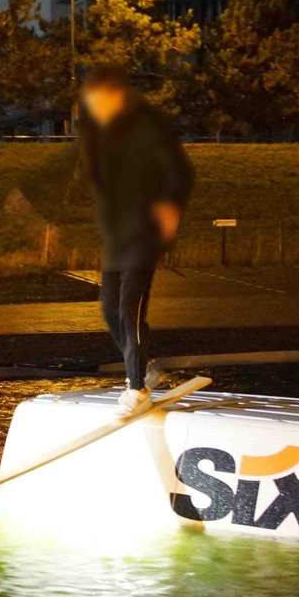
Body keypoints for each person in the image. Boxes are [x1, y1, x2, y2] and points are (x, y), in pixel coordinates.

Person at [76, 65, 194, 416]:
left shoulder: (145, 126)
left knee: (130, 309)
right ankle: (144, 366)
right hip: (117, 236)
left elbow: (181, 170)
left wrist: (169, 208)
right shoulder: (102, 135)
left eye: (99, 102)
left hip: (145, 233)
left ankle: (137, 387)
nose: (95, 110)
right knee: (110, 310)